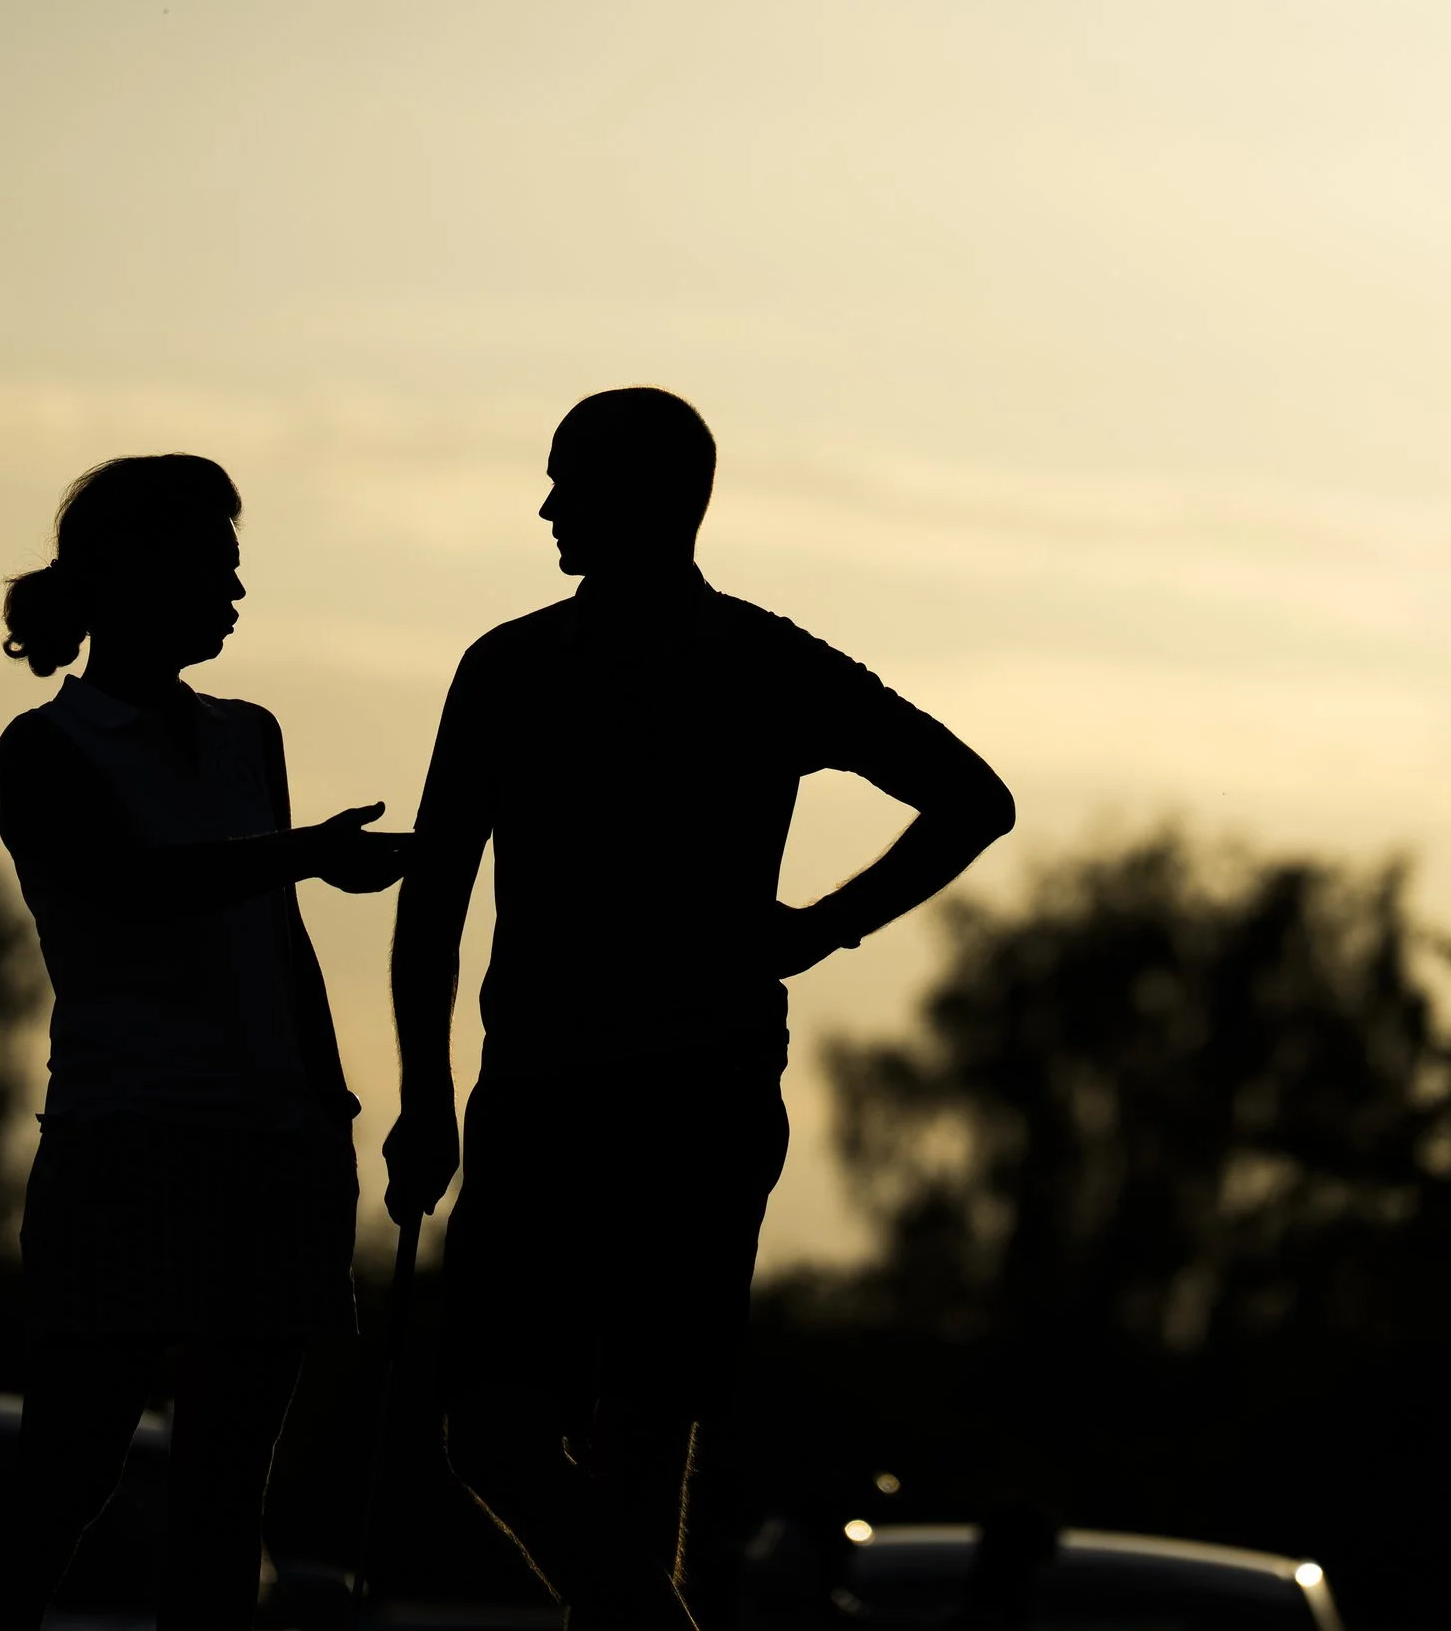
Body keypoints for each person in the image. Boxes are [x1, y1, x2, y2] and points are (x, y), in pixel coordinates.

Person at [383, 389, 1015, 1631]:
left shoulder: (740, 659)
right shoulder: (522, 664)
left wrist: (814, 927)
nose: (548, 504)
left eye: (570, 479)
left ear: (649, 498)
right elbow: (435, 894)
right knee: (502, 1432)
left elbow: (970, 797)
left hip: (678, 1087)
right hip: (570, 1089)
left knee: (632, 1429)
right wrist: (422, 1093)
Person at [0, 454, 413, 1631]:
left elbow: (276, 935)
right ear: (135, 574)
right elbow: (131, 889)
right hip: (128, 1141)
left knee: (224, 1494)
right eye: (216, 565)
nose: (237, 592)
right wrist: (303, 850)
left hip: (278, 1146)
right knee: (70, 1470)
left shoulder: (250, 733)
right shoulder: (43, 749)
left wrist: (332, 1103)